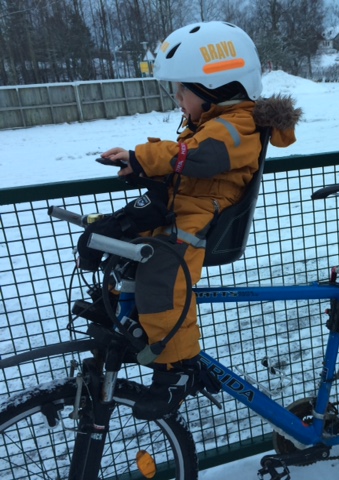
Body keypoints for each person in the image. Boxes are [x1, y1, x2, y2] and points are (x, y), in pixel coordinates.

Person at [76, 21, 301, 420]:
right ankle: (119, 313)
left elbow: (200, 157)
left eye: (183, 90)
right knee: (124, 249)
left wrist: (143, 158)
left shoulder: (240, 125)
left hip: (199, 223)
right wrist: (144, 172)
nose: (178, 98)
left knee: (163, 276)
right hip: (181, 211)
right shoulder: (209, 123)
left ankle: (177, 370)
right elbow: (185, 162)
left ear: (216, 87)